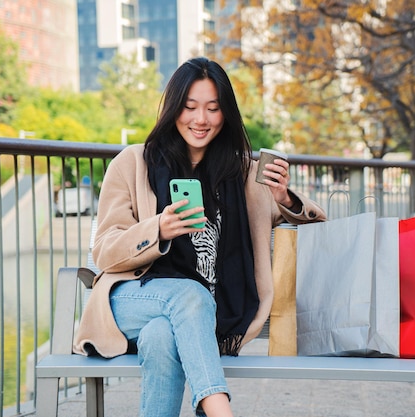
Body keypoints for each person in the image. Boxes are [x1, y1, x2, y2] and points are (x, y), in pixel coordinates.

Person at [73, 57, 326, 417]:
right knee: (189, 294)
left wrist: (285, 199)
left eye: (213, 108)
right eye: (190, 107)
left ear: (226, 114)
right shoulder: (133, 163)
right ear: (173, 108)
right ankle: (218, 408)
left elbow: (318, 236)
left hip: (199, 316)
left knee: (162, 337)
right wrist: (156, 229)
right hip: (131, 299)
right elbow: (104, 252)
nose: (201, 119)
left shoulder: (243, 176)